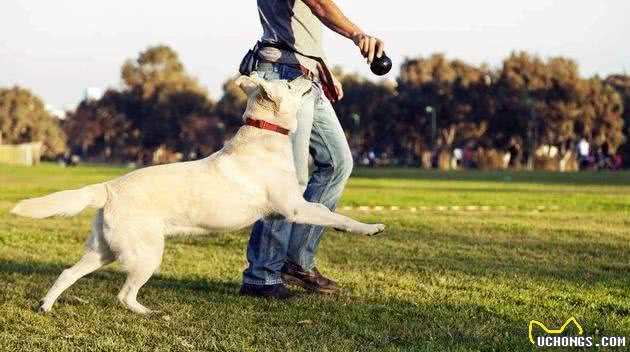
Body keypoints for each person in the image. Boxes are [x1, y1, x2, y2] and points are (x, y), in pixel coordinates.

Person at [239, 0, 386, 299]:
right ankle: (262, 276)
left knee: (338, 163)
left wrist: (322, 67)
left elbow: (302, 23)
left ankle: (296, 262)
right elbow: (319, 5)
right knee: (288, 181)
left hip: (306, 74)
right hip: (283, 75)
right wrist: (358, 35)